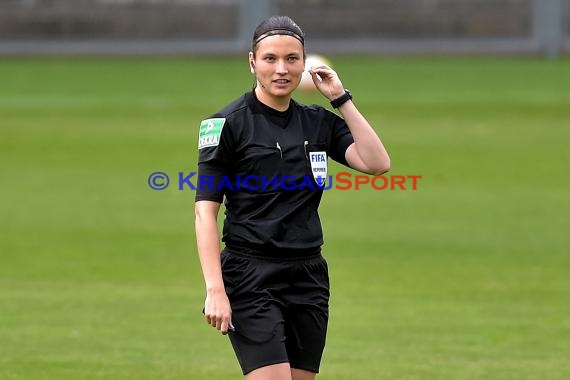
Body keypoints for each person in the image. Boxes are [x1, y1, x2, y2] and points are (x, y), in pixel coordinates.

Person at [194, 15, 390, 380]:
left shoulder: (318, 122)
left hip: (308, 275)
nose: (281, 69)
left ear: (304, 63)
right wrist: (215, 290)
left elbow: (377, 163)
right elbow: (205, 214)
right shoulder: (226, 125)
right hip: (249, 273)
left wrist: (340, 98)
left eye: (292, 59)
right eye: (270, 59)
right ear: (252, 61)